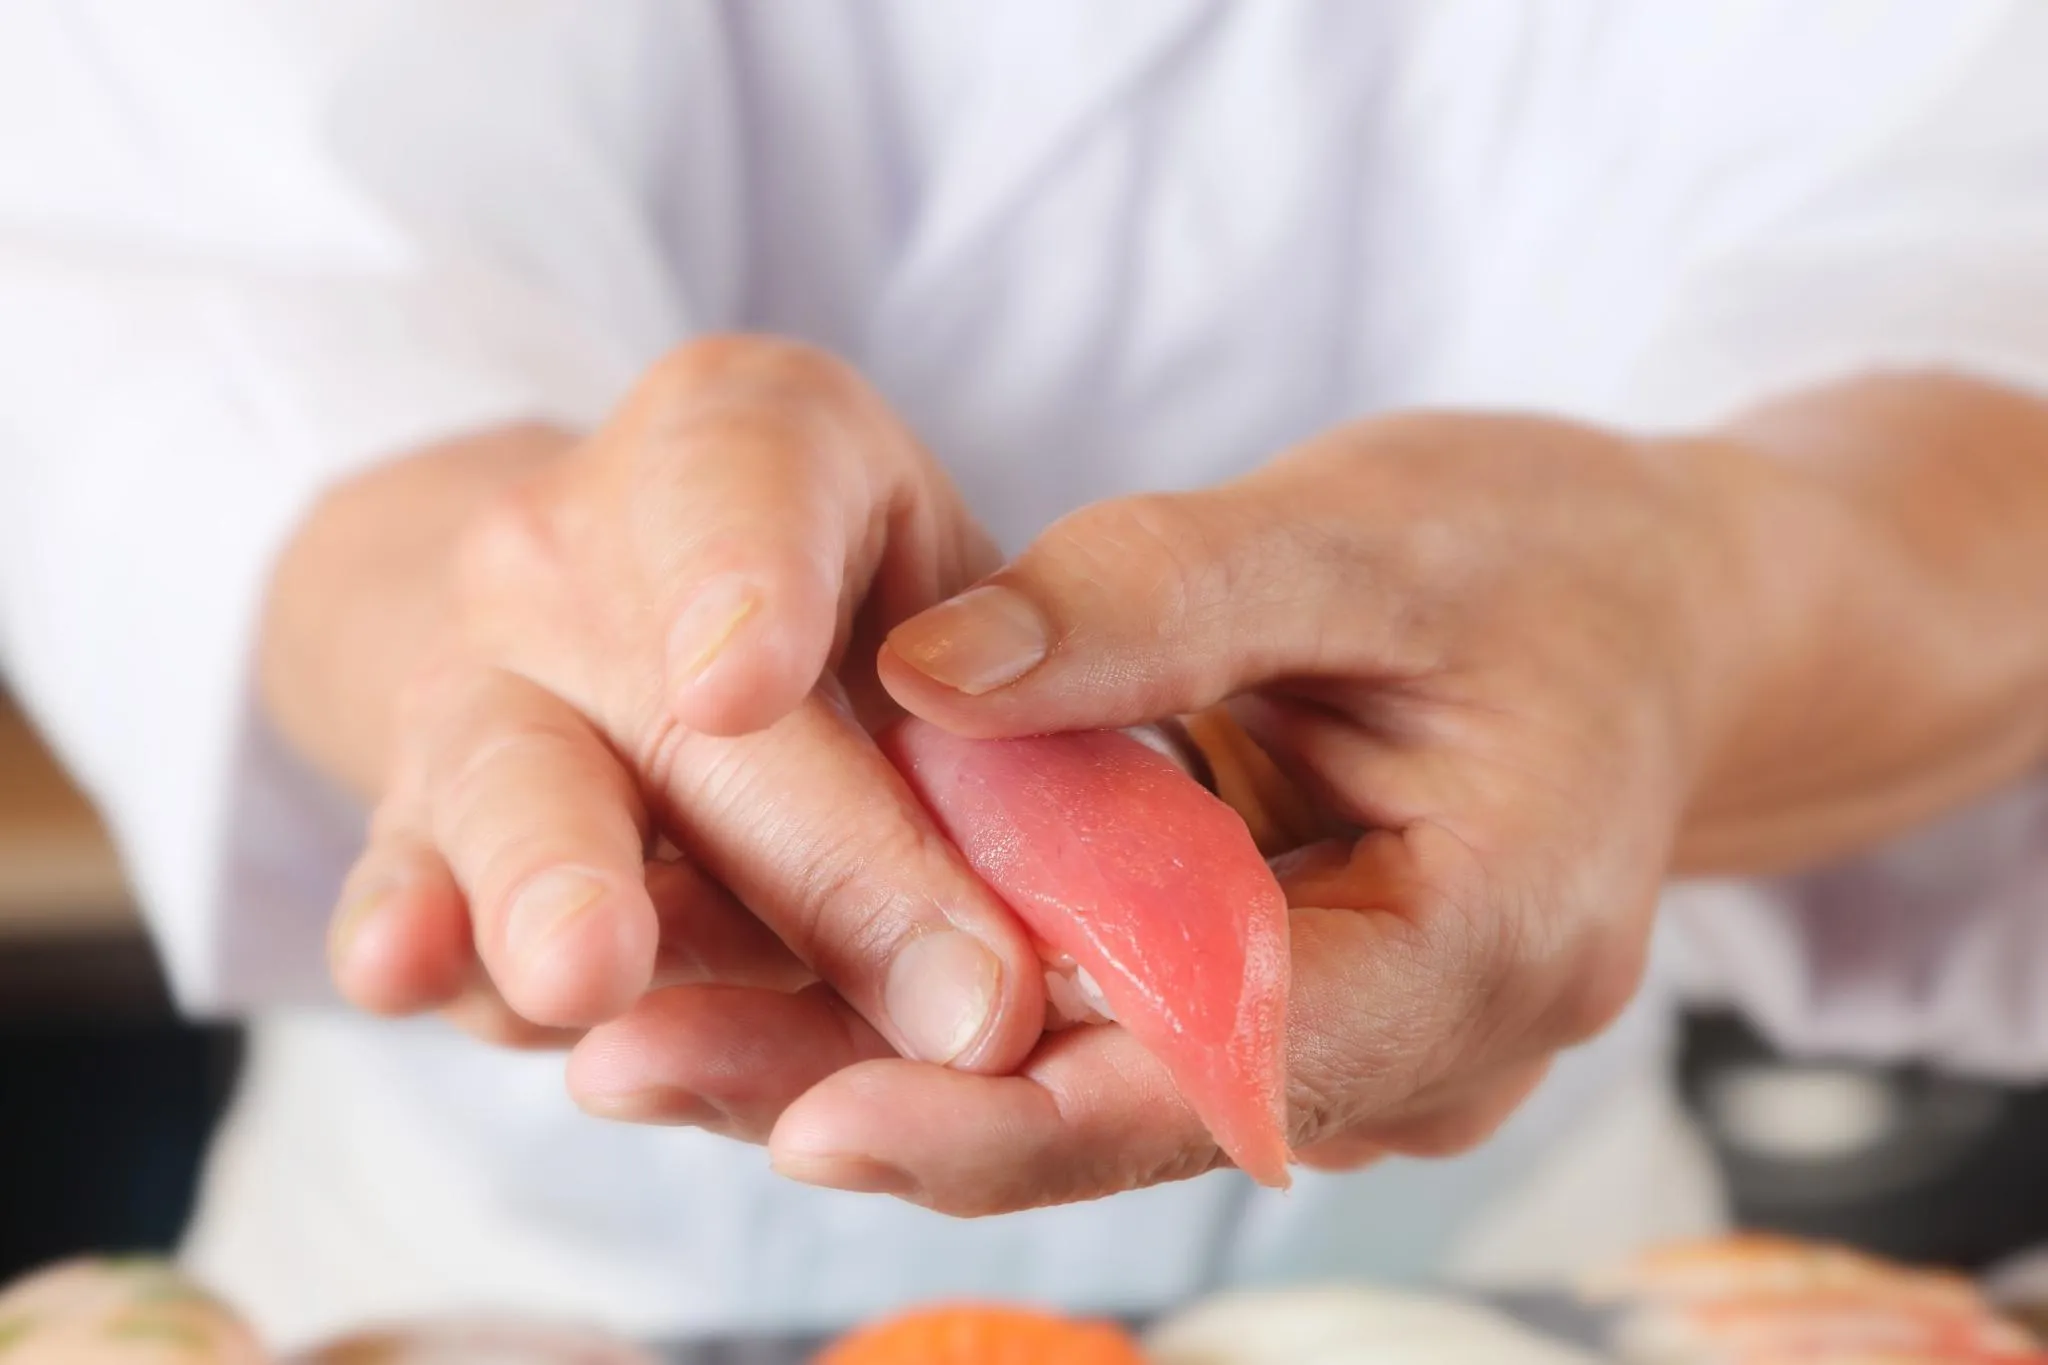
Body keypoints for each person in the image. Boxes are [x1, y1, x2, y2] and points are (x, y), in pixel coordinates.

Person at [3, 0, 2048, 1350]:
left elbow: (1982, 285)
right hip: (486, 1272)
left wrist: (1680, 600)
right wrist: (503, 617)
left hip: (1503, 1273)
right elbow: (186, 267)